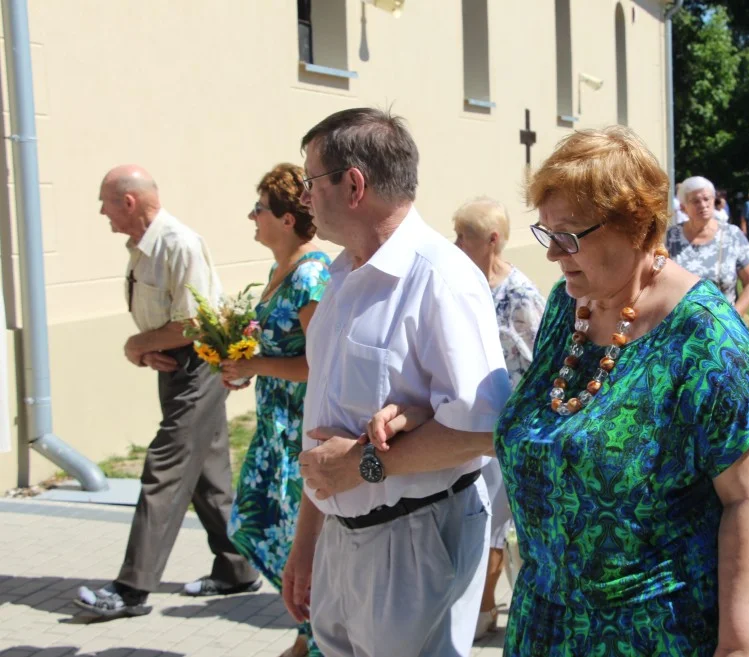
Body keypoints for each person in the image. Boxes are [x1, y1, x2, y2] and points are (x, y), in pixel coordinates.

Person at [483, 127, 749, 655]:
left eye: (570, 235)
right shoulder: (569, 303)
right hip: (551, 617)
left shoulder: (707, 337)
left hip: (662, 630)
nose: (556, 253)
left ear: (636, 226)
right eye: (547, 233)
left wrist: (740, 646)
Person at [281, 108, 511, 657]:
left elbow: (486, 431)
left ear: (353, 184)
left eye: (311, 180)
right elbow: (325, 432)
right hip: (342, 538)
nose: (304, 195)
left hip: (417, 538)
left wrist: (362, 463)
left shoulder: (442, 278)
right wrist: (307, 542)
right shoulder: (340, 276)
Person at [75, 165, 259, 618]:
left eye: (106, 202)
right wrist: (149, 350)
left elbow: (194, 322)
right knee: (207, 477)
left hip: (198, 368)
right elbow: (169, 320)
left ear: (130, 202)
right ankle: (237, 568)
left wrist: (138, 345)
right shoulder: (143, 247)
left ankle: (131, 589)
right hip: (177, 364)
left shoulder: (177, 243)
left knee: (165, 470)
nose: (103, 212)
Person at [222, 164, 331, 657]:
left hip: (298, 430)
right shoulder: (278, 271)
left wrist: (261, 363)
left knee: (296, 539)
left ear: (287, 218)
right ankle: (310, 634)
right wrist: (246, 364)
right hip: (273, 426)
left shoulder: (312, 275)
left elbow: (320, 366)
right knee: (252, 524)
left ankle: (313, 639)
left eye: (260, 209)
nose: (252, 216)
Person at [450, 196, 545, 639]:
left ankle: (484, 612)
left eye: (462, 236)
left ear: (491, 240)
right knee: (481, 522)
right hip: (474, 425)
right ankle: (482, 609)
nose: (455, 243)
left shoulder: (520, 295)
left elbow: (541, 364)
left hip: (510, 429)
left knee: (493, 524)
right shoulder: (466, 284)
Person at [666, 176, 749, 317]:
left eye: (707, 199)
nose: (703, 205)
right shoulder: (670, 238)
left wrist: (733, 316)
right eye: (695, 201)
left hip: (722, 329)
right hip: (679, 328)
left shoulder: (732, 235)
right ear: (683, 207)